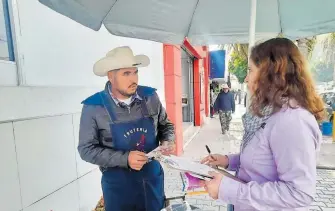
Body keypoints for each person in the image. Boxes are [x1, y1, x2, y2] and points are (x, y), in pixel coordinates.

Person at [201, 38, 324, 211]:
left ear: (271, 73)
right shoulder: (271, 113)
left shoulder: (292, 122)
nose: (246, 79)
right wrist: (228, 161)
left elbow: (299, 192)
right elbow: (263, 159)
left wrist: (228, 189)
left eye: (250, 70)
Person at [78, 46, 175, 211]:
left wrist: (168, 141)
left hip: (152, 182)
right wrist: (125, 159)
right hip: (119, 190)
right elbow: (86, 149)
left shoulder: (150, 97)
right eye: (126, 74)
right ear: (111, 75)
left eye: (135, 72)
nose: (134, 79)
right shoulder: (93, 107)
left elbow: (166, 125)